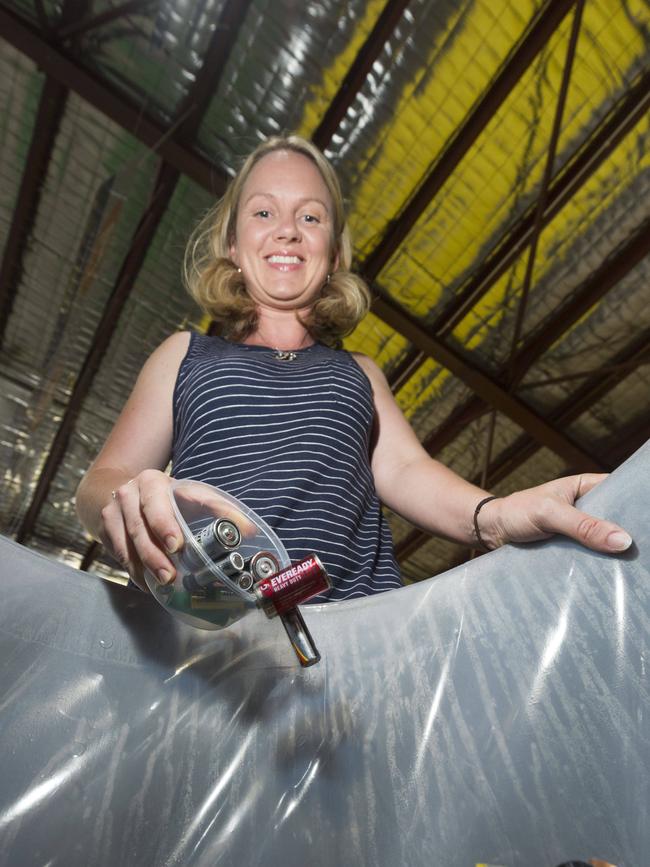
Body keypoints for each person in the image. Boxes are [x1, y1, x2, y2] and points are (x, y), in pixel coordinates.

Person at [75, 135, 632, 597]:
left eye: (310, 216)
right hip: (215, 628)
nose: (287, 229)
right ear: (230, 241)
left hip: (354, 637)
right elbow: (101, 482)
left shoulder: (358, 372)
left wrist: (495, 514)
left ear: (334, 252)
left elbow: (405, 470)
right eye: (263, 211)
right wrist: (129, 500)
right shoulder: (185, 353)